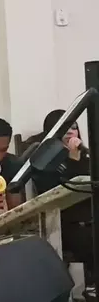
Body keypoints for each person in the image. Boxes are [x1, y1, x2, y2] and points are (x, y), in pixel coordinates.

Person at [29, 110, 93, 300]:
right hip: (66, 223)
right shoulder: (44, 159)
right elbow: (54, 190)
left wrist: (79, 157)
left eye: (74, 127)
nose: (71, 131)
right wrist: (72, 159)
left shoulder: (86, 155)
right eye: (65, 128)